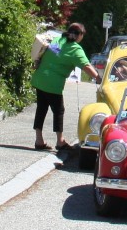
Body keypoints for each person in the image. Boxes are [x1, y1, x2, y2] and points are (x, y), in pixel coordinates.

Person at [32, 22, 97, 151]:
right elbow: (87, 66)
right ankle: (60, 141)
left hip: (40, 78)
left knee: (41, 108)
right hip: (53, 84)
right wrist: (98, 77)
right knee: (59, 111)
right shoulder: (75, 48)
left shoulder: (57, 40)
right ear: (79, 35)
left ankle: (39, 140)